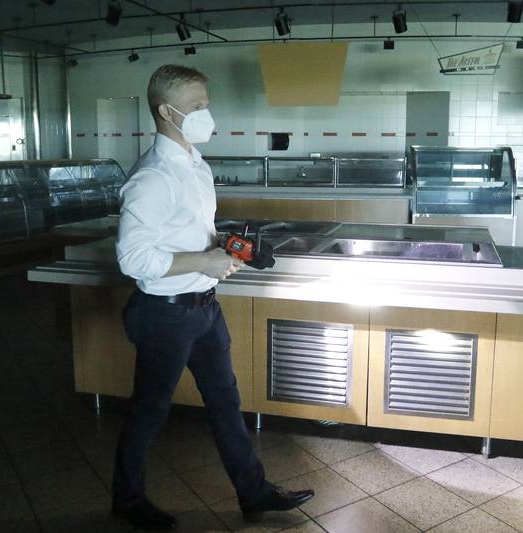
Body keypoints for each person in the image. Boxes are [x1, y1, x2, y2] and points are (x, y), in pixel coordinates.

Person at [112, 64, 314, 531]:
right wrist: (203, 261)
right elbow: (134, 259)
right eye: (198, 106)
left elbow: (188, 232)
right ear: (167, 111)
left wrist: (220, 243)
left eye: (207, 103)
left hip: (203, 309)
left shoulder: (195, 163)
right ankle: (126, 498)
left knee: (226, 403)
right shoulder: (153, 176)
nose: (208, 113)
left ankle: (253, 491)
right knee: (149, 411)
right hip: (165, 315)